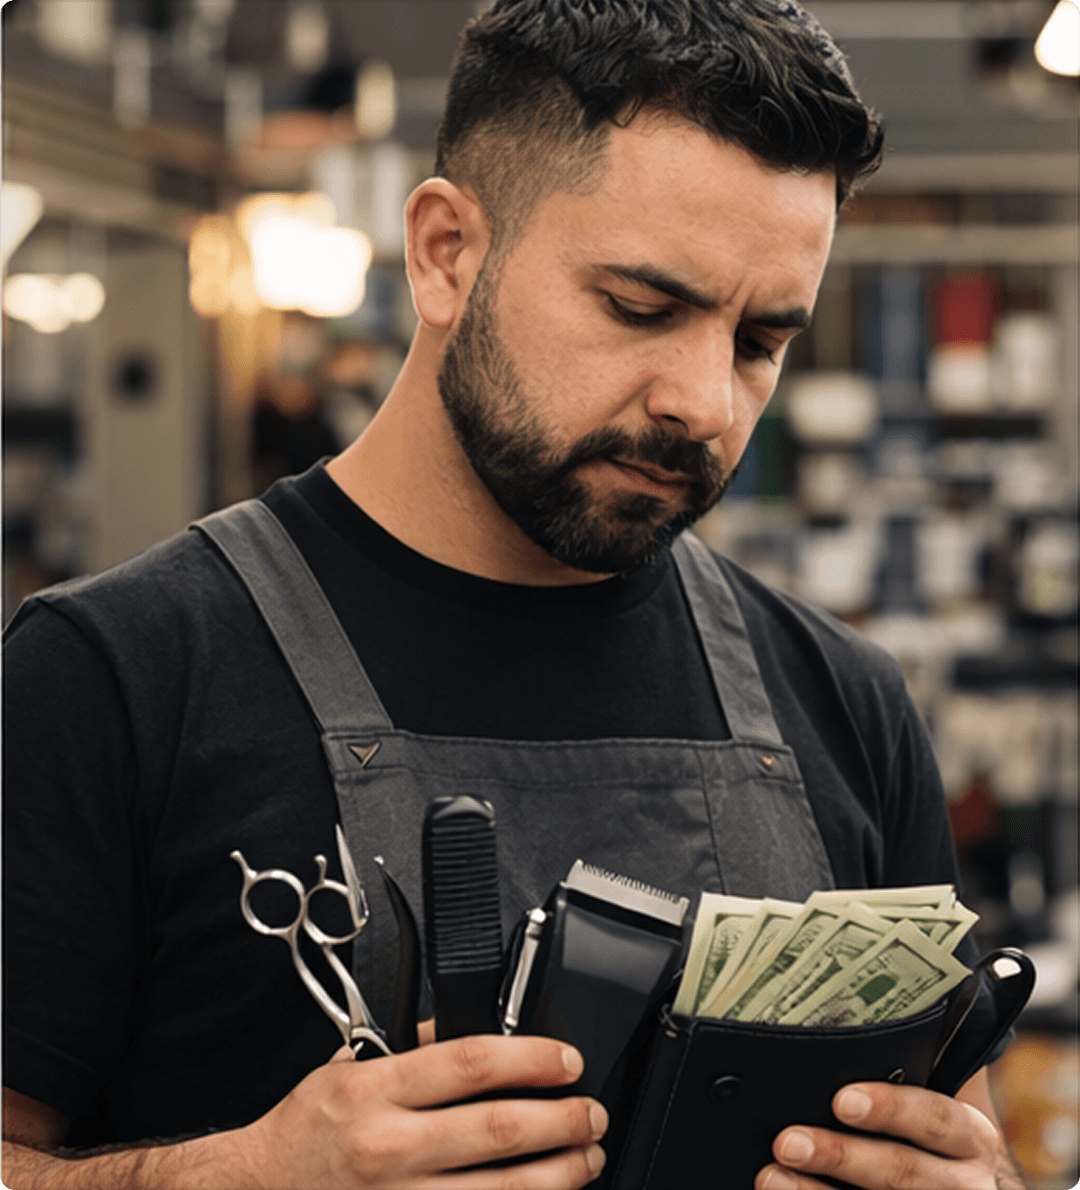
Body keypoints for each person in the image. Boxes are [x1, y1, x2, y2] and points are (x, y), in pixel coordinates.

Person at [2, 1, 1028, 1187]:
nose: (703, 399)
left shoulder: (843, 704)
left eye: (761, 341)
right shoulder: (110, 677)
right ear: (445, 252)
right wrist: (228, 1175)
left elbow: (965, 1135)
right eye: (641, 308)